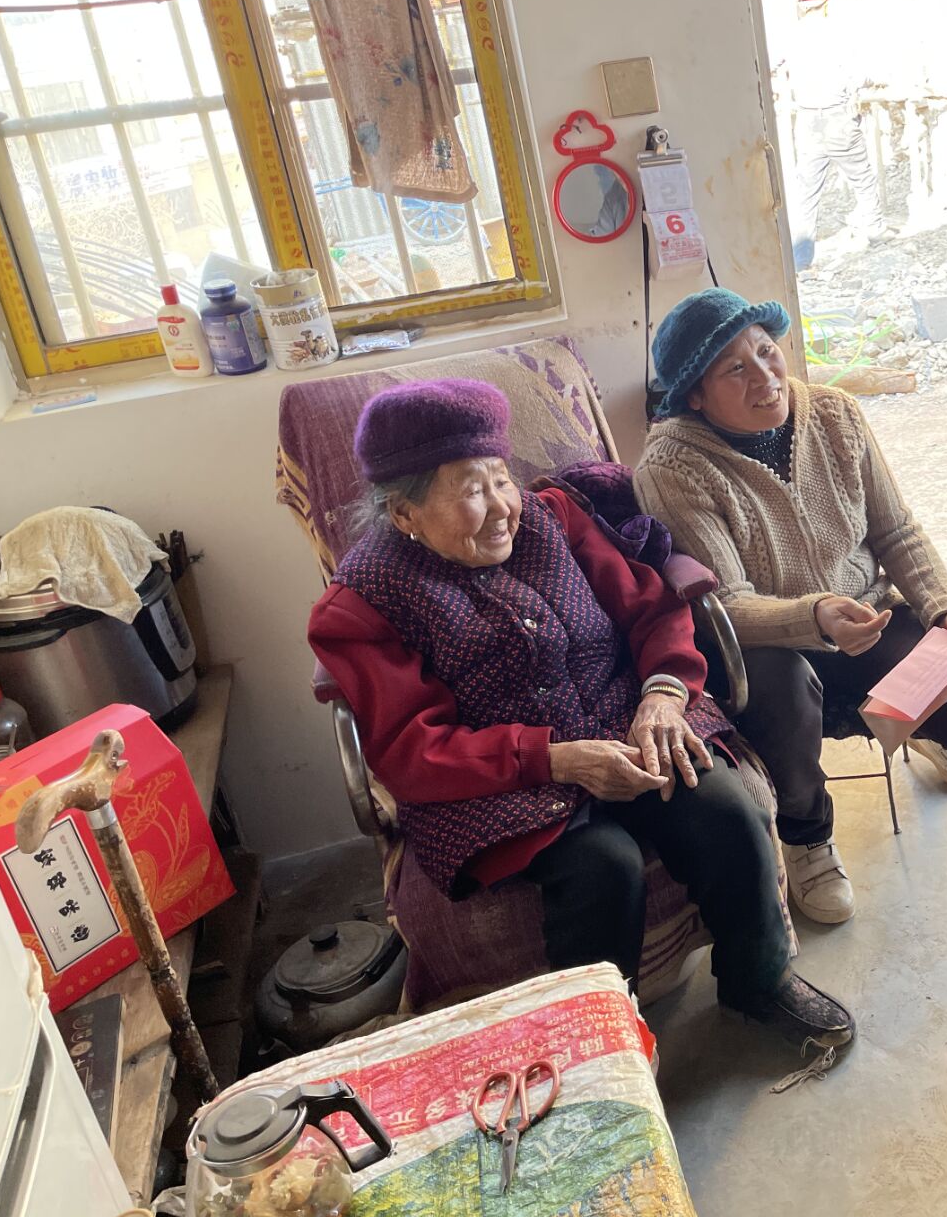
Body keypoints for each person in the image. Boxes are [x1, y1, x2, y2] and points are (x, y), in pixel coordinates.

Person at [307, 377, 854, 1050]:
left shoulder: (554, 517)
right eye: (472, 491)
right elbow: (411, 750)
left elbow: (652, 607)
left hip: (624, 716)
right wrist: (554, 760)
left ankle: (758, 981)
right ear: (404, 514)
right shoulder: (363, 604)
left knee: (726, 813)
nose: (501, 508)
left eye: (501, 480)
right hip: (499, 779)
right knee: (602, 868)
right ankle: (601, 1050)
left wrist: (663, 694)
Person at [634, 288, 947, 926]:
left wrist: (944, 606)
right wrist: (813, 617)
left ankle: (922, 732)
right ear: (694, 396)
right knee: (780, 690)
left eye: (766, 350)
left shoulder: (837, 415)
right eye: (735, 368)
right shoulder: (672, 468)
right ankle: (807, 837)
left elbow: (896, 532)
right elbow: (724, 604)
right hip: (770, 646)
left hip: (871, 615)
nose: (765, 376)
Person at [784, 0, 891, 271]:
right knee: (862, 178)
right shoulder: (838, 32)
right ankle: (875, 231)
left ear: (800, 5)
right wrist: (874, 80)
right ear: (826, 2)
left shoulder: (791, 35)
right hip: (837, 118)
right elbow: (859, 75)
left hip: (807, 121)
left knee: (806, 192)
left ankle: (800, 259)